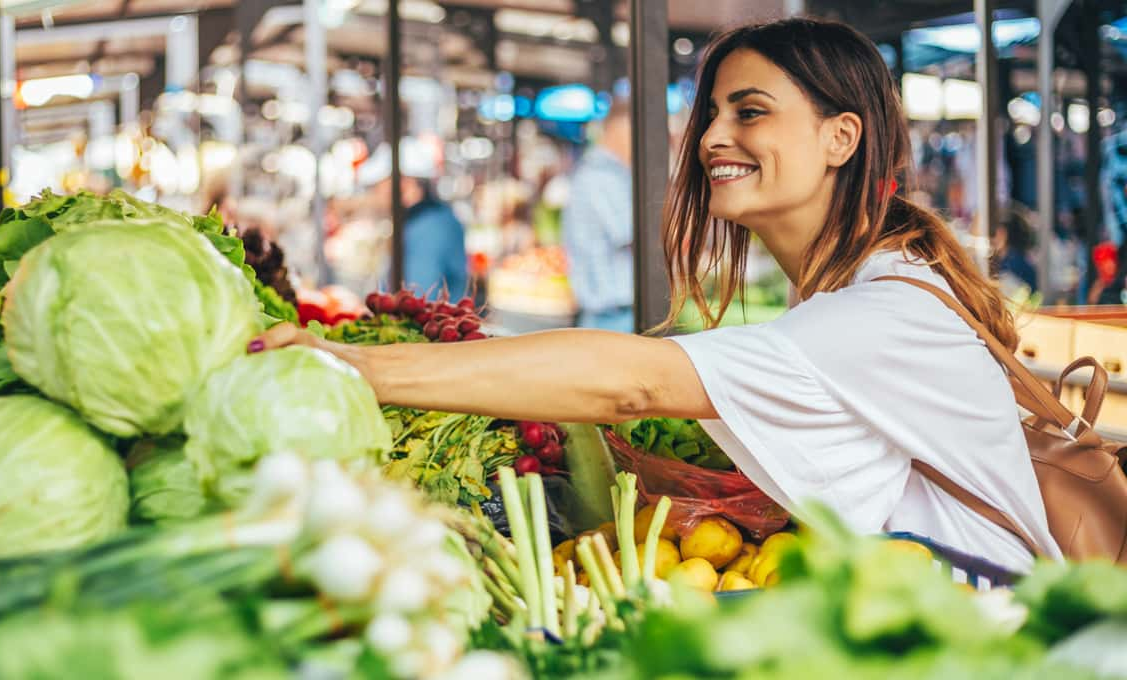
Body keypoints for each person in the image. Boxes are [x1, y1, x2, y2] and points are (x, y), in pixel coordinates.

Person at [250, 18, 1059, 572]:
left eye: (750, 112)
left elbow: (632, 381)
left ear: (839, 138)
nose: (710, 138)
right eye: (709, 113)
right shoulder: (870, 288)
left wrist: (351, 364)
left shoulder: (883, 310)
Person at [358, 138, 468, 300]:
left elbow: (416, 299)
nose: (376, 194)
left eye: (378, 185)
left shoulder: (430, 228)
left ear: (403, 183)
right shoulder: (423, 221)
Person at [562, 99, 634, 332]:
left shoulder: (601, 173)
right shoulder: (602, 176)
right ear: (622, 129)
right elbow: (635, 234)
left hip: (610, 316)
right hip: (612, 318)